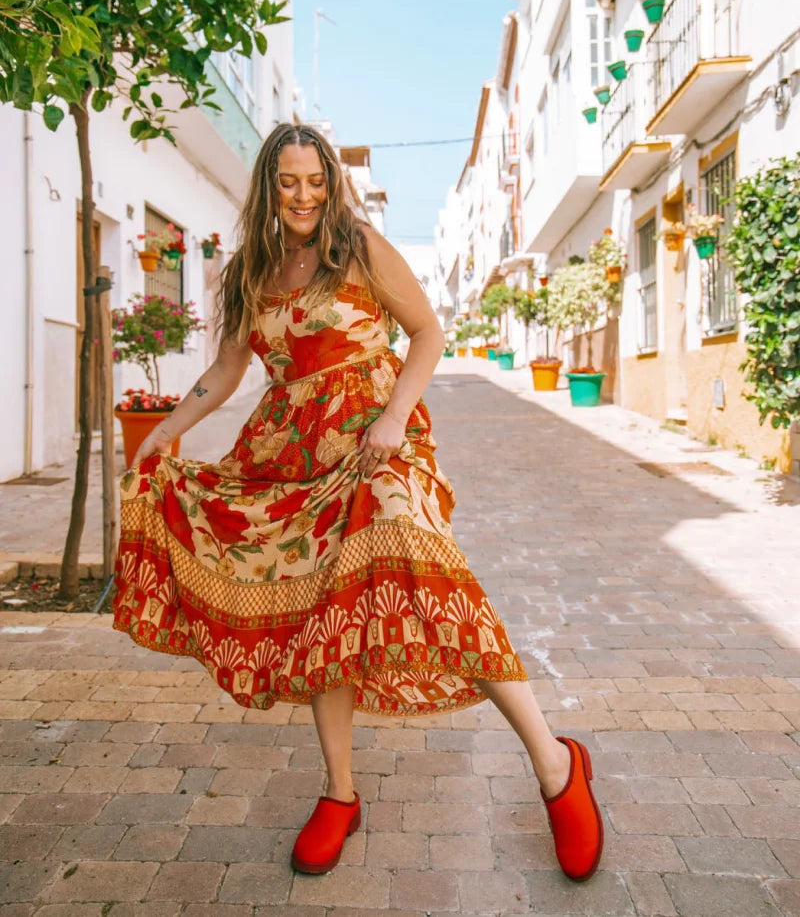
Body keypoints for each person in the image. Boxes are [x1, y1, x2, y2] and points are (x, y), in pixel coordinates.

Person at [112, 122, 603, 881]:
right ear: (268, 187)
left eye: (316, 181)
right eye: (289, 183)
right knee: (320, 610)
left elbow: (427, 332)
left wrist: (396, 413)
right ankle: (339, 794)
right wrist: (166, 432)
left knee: (430, 570)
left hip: (378, 439)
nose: (304, 196)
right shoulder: (251, 268)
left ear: (331, 182)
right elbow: (229, 366)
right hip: (288, 456)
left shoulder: (361, 248)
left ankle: (554, 764)